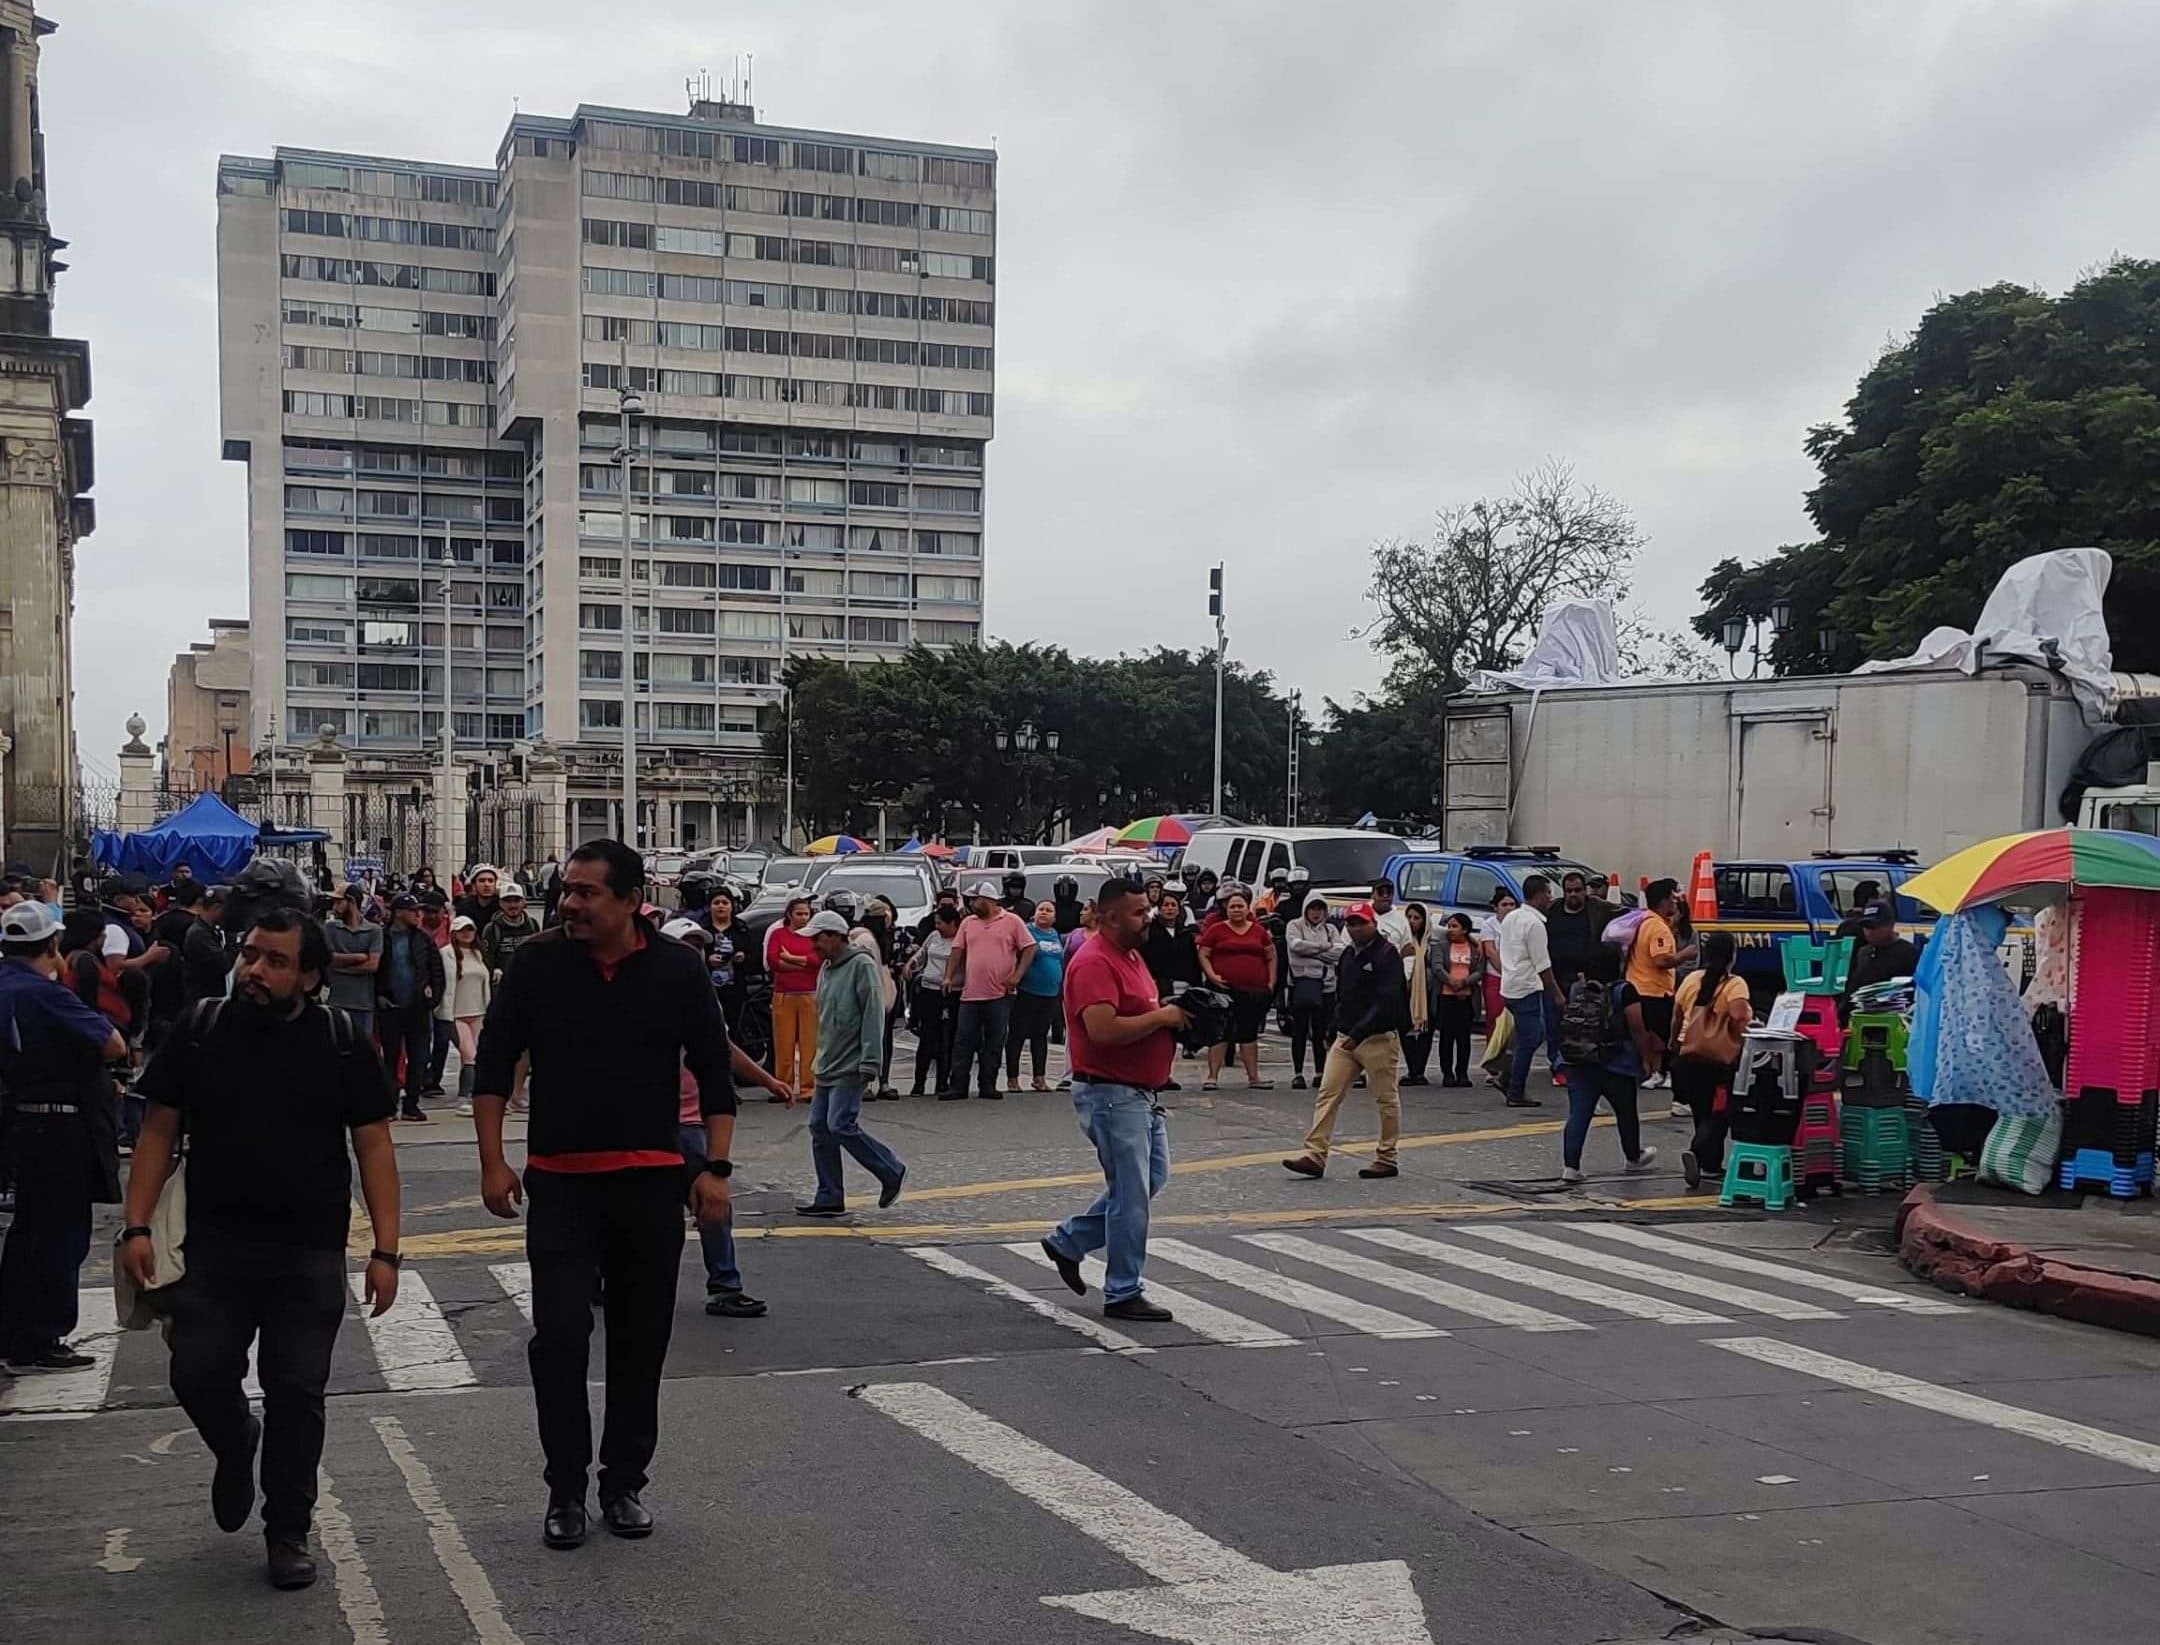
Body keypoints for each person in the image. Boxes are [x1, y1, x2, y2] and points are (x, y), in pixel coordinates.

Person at [120, 905, 400, 1591]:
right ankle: (233, 1439)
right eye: (251, 954)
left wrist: (387, 1248)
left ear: (309, 974)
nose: (255, 970)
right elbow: (159, 1130)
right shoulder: (201, 1027)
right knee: (197, 1372)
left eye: (275, 961)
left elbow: (373, 1146)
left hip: (308, 1250)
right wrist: (134, 1225)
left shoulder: (339, 1040)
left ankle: (287, 1531)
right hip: (215, 1244)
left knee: (297, 1391)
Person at [471, 840, 737, 1550]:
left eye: (588, 892)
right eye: (567, 889)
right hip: (559, 1181)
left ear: (629, 900)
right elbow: (493, 1065)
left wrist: (716, 1167)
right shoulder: (536, 964)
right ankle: (564, 1487)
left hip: (650, 1181)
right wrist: (494, 1162)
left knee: (640, 1337)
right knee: (559, 1335)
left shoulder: (679, 969)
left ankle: (622, 1481)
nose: (571, 903)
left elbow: (714, 1072)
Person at [1037, 878, 1189, 1321]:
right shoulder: (1094, 962)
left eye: (1149, 909)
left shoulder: (1132, 956)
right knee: (1131, 1194)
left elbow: (1138, 1011)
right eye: (1139, 912)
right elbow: (1102, 1031)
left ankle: (1071, 1240)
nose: (1149, 917)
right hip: (1111, 1093)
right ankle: (1123, 1290)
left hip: (1139, 1093)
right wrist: (1162, 1016)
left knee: (1148, 1181)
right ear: (1107, 917)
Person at [0, 903, 129, 1372]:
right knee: (61, 1234)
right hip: (60, 1124)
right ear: (51, 946)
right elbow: (111, 1043)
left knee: (26, 1230)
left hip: (18, 1121)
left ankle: (12, 1330)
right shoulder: (46, 994)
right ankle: (42, 1335)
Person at [660, 919, 799, 1317]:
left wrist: (769, 1080)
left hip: (694, 1119)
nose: (694, 953)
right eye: (684, 946)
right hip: (650, 1121)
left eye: (698, 946)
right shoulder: (647, 994)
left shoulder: (702, 997)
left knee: (714, 1203)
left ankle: (724, 1285)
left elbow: (722, 1048)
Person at [1282, 901, 1407, 1180]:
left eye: (1361, 922)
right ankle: (1315, 1154)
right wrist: (1332, 1030)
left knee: (1385, 1098)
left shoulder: (1387, 954)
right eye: (1351, 923)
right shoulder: (1348, 954)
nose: (1356, 928)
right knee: (1328, 1093)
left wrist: (1359, 1033)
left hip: (1377, 1037)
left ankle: (1387, 1156)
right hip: (1345, 1036)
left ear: (1373, 923)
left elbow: (1388, 1000)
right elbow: (1343, 997)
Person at [795, 910, 907, 1216]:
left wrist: (871, 1061)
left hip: (852, 1061)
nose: (814, 946)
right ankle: (829, 1194)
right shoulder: (827, 968)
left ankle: (890, 1170)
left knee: (839, 1123)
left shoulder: (861, 966)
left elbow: (873, 1014)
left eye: (818, 939)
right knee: (819, 1126)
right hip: (828, 1061)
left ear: (834, 937)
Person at [1556, 946, 1657, 1184]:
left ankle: (1571, 1167)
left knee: (1579, 1113)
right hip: (1615, 1061)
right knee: (1626, 1111)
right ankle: (1633, 1157)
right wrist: (1646, 1057)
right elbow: (1637, 1028)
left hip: (1579, 1059)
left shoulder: (1576, 989)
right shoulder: (1624, 991)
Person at [1672, 931, 1752, 1189]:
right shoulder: (1735, 984)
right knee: (1720, 1113)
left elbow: (1676, 1017)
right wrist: (1745, 1037)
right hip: (1719, 1063)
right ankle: (1697, 1152)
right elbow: (1739, 1014)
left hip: (1688, 1058)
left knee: (1701, 1112)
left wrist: (1674, 1045)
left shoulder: (1692, 980)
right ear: (1732, 956)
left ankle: (1710, 1165)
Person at [944, 881, 1035, 1101]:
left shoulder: (1012, 921)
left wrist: (1017, 976)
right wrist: (948, 976)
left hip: (1000, 994)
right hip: (970, 993)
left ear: (990, 900)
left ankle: (988, 1084)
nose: (974, 904)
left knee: (994, 1041)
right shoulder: (968, 923)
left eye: (977, 900)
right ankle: (958, 1086)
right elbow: (957, 950)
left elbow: (1029, 947)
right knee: (963, 1040)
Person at [1196, 888, 1277, 1091]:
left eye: (1240, 906)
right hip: (1223, 989)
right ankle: (1212, 1076)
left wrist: (1271, 981)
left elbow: (1271, 956)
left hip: (1253, 990)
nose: (1236, 910)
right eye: (1232, 906)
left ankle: (1254, 1077)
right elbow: (1203, 954)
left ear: (1247, 908)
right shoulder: (1216, 930)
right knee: (1220, 1032)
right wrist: (1212, 975)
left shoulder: (1258, 931)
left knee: (1249, 1033)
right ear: (1226, 909)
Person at [376, 894, 444, 1122]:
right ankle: (389, 1103)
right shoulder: (383, 938)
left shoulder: (422, 939)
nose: (418, 914)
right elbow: (376, 972)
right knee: (391, 1058)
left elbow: (436, 971)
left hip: (417, 1008)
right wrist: (379, 996)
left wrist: (432, 1000)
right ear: (397, 913)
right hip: (391, 1007)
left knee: (419, 1057)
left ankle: (412, 1104)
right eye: (412, 910)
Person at [1499, 874, 1565, 1109]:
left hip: (1509, 984)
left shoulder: (1511, 918)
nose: (1550, 898)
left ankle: (1506, 1074)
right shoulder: (1535, 924)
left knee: (1530, 1034)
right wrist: (1556, 993)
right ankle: (1515, 1088)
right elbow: (1542, 964)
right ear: (1538, 895)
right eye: (1548, 893)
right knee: (1531, 1037)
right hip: (1526, 986)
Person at [1627, 877, 1693, 1091]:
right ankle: (1667, 1073)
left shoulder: (1645, 921)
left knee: (1652, 1036)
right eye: (1673, 899)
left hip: (1638, 986)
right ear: (1663, 901)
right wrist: (1685, 955)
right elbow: (1661, 960)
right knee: (1667, 1037)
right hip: (1655, 991)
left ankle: (1655, 1072)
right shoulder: (1658, 928)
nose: (1676, 903)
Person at [1284, 893, 1345, 1090]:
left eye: (1320, 909)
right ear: (1306, 909)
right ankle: (1298, 1073)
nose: (1316, 913)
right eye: (1312, 908)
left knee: (1322, 1031)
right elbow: (1295, 948)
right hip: (1301, 985)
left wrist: (1313, 952)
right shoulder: (1294, 925)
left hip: (1326, 987)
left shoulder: (1331, 929)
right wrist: (1324, 949)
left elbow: (1340, 952)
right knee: (1299, 1031)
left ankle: (1320, 1072)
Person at [1007, 901, 1067, 1093]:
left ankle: (1039, 1077)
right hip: (1027, 991)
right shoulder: (1027, 931)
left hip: (1049, 994)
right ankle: (1012, 1078)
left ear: (1055, 917)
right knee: (1017, 1035)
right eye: (1041, 909)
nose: (1044, 913)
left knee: (1040, 1036)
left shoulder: (1055, 935)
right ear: (1034, 914)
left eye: (1049, 911)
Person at [764, 895, 820, 1101]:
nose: (803, 918)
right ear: (789, 915)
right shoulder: (778, 934)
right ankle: (783, 1086)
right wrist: (802, 964)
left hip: (810, 994)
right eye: (799, 913)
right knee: (783, 1042)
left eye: (806, 913)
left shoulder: (814, 936)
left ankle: (808, 1088)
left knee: (810, 1043)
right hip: (784, 993)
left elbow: (818, 961)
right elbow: (773, 960)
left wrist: (791, 959)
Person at [438, 915, 493, 1116]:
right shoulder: (446, 954)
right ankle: (464, 1097)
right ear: (454, 932)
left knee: (480, 1056)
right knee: (469, 1055)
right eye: (462, 930)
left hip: (478, 1012)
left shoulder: (479, 954)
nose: (467, 933)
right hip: (456, 1014)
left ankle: (478, 1095)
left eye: (470, 929)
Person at [905, 905, 961, 1096]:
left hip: (951, 991)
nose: (937, 927)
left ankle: (943, 1081)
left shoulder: (960, 940)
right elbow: (922, 953)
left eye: (940, 923)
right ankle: (919, 1082)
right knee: (927, 1037)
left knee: (948, 1039)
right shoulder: (933, 937)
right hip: (929, 989)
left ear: (952, 923)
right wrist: (912, 963)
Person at [323, 885, 381, 1044]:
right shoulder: (330, 928)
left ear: (351, 902)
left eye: (338, 902)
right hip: (336, 1001)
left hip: (363, 1003)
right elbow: (328, 958)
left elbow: (372, 965)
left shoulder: (374, 931)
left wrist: (340, 967)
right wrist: (358, 957)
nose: (334, 907)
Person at [1434, 912, 1483, 1087]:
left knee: (1464, 1038)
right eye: (1449, 926)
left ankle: (1462, 1072)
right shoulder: (1442, 946)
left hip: (1466, 998)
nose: (1451, 930)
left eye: (1455, 926)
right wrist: (1451, 982)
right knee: (1446, 1037)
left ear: (1465, 929)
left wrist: (1464, 983)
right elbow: (1437, 967)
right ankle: (1447, 1073)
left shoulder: (1474, 948)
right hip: (1447, 997)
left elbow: (1479, 970)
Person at [1545, 871, 1612, 996]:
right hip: (1557, 978)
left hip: (1586, 980)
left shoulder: (1597, 907)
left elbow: (1625, 914)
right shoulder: (1553, 909)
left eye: (1577, 890)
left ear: (1585, 890)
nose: (1573, 894)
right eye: (1569, 891)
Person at [1477, 888, 1518, 1087]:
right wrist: (1506, 971)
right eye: (1504, 905)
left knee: (1514, 1025)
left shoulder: (1520, 923)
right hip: (1496, 977)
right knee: (1495, 1020)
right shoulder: (1490, 925)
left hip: (1517, 978)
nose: (1509, 908)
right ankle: (1492, 1066)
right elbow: (1490, 952)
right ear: (1496, 907)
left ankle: (1509, 1065)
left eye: (1512, 904)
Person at [1845, 901, 1919, 1007]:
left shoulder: (1909, 953)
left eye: (1873, 927)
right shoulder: (1863, 952)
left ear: (1890, 925)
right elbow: (1852, 988)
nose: (1869, 932)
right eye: (1866, 927)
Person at [1399, 901, 1439, 1086]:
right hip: (1405, 992)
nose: (1412, 921)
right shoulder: (1403, 941)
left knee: (1425, 1032)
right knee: (1405, 1030)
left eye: (1416, 918)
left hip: (1426, 995)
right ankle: (1411, 1069)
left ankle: (1420, 1071)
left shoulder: (1432, 943)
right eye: (1409, 917)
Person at [481, 883, 541, 982]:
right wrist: (494, 971)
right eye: (507, 901)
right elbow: (487, 959)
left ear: (523, 902)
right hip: (503, 984)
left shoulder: (533, 925)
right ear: (500, 903)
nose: (512, 905)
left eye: (516, 901)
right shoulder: (491, 929)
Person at [454, 864, 502, 928]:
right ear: (474, 885)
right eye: (482, 881)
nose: (486, 884)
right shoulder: (464, 908)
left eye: (490, 881)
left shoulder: (502, 907)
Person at [1369, 877, 1411, 949]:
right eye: (1381, 892)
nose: (1385, 896)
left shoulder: (1402, 920)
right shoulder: (1361, 913)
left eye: (1389, 892)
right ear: (1372, 895)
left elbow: (1408, 950)